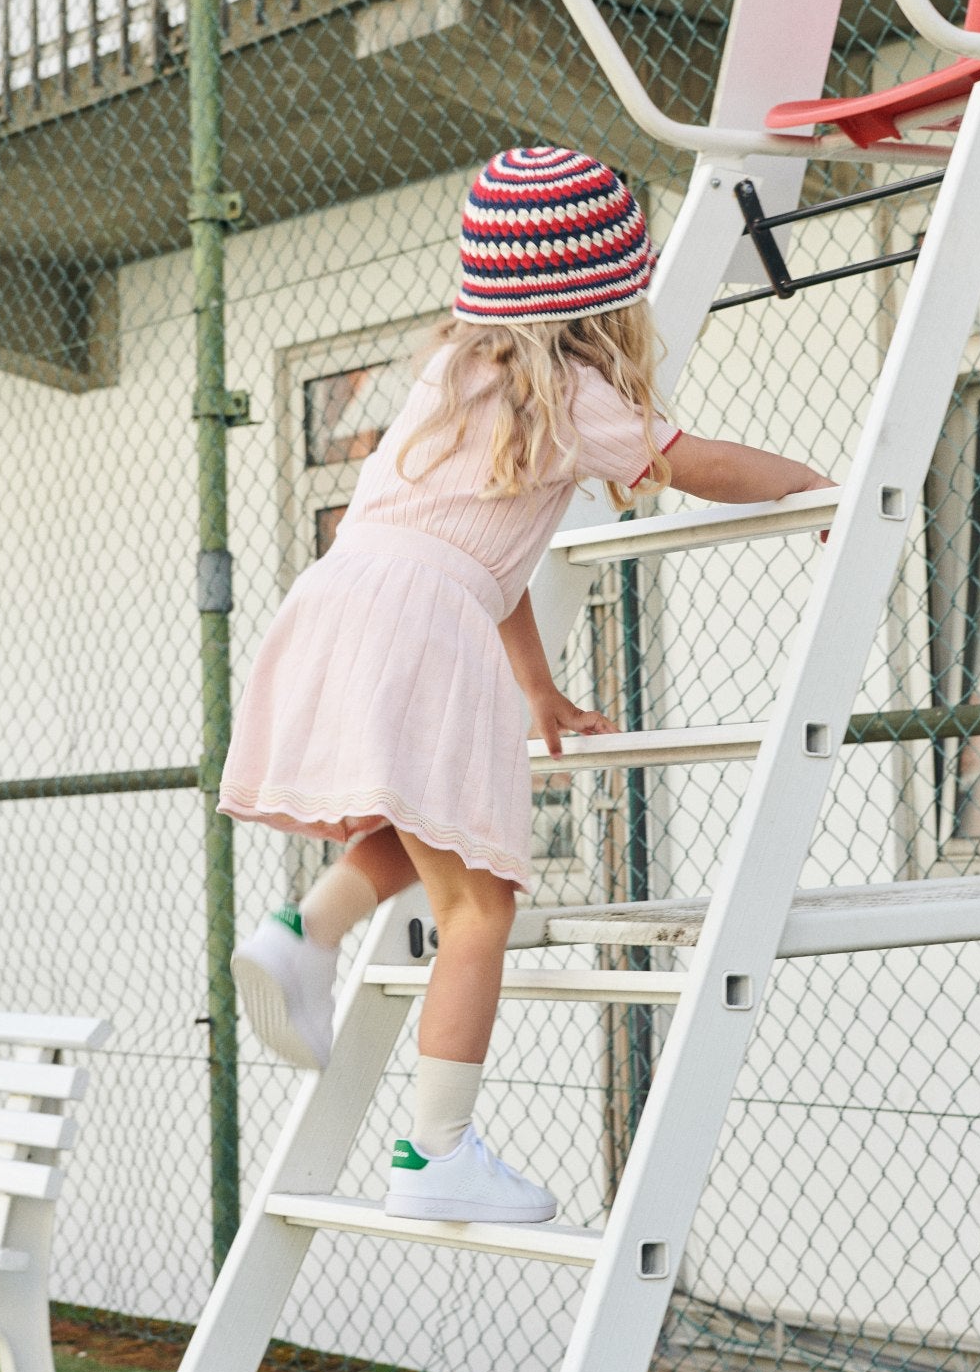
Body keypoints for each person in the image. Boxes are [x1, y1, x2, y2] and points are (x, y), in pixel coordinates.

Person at [221, 144, 835, 1225]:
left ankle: (301, 932)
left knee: (426, 825)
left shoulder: (447, 381)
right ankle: (436, 1151)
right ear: (604, 305)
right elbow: (698, 466)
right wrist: (823, 482)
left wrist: (537, 687)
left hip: (342, 598)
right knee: (481, 908)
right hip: (419, 619)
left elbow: (487, 555)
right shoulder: (576, 399)